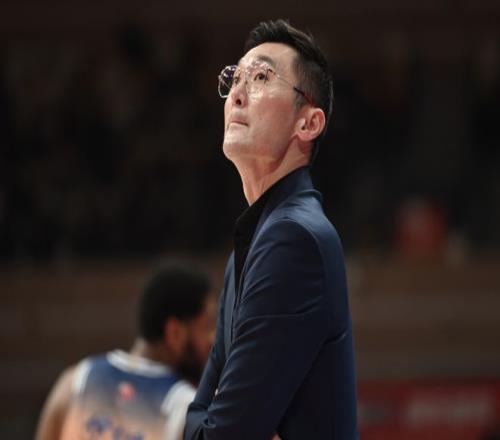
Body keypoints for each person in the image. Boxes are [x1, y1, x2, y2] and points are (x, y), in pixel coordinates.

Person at [184, 19, 358, 440]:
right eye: (235, 79)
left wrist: (210, 419)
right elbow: (197, 417)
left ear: (308, 123)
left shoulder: (293, 239)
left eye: (261, 77)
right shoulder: (250, 248)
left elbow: (217, 433)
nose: (237, 94)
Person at [36, 259, 215, 440]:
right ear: (175, 333)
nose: (213, 339)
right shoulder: (186, 409)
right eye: (207, 326)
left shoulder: (75, 381)